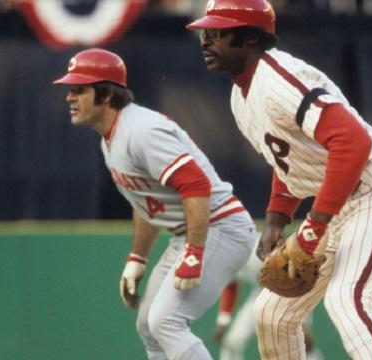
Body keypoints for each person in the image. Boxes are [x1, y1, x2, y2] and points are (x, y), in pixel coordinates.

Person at [186, 1, 372, 359]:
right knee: (271, 314)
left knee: (347, 300)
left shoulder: (276, 79)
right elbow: (291, 163)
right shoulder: (241, 98)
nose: (206, 41)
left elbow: (354, 142)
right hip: (341, 203)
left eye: (217, 33)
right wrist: (276, 220)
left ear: (251, 38)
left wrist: (313, 227)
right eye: (205, 33)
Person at [53, 48, 257, 360]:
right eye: (70, 89)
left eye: (79, 89)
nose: (70, 97)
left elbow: (196, 185)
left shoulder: (141, 131)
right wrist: (137, 259)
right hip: (193, 231)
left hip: (220, 226)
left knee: (166, 322)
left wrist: (194, 253)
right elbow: (147, 202)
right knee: (150, 326)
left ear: (106, 94)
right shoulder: (111, 136)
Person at [211, 236, 325, 360]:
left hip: (290, 293)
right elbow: (232, 284)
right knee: (232, 342)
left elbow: (295, 273)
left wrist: (299, 319)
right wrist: (223, 320)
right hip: (260, 295)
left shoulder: (260, 246)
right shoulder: (228, 256)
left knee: (301, 342)